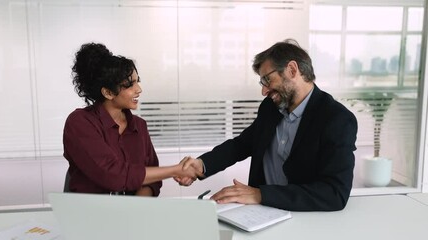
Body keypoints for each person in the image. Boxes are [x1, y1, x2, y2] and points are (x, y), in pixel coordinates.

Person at [177, 39, 358, 211]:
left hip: (304, 218)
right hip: (260, 215)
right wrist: (202, 165)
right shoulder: (270, 107)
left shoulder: (338, 119)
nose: (264, 91)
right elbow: (243, 144)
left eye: (267, 80)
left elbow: (335, 193)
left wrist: (260, 194)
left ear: (292, 70)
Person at [63, 42, 200, 196]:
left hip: (133, 214)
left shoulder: (139, 126)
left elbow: (152, 178)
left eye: (137, 81)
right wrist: (177, 170)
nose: (139, 89)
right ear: (108, 93)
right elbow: (113, 175)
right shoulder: (80, 123)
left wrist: (136, 207)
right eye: (129, 85)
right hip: (88, 214)